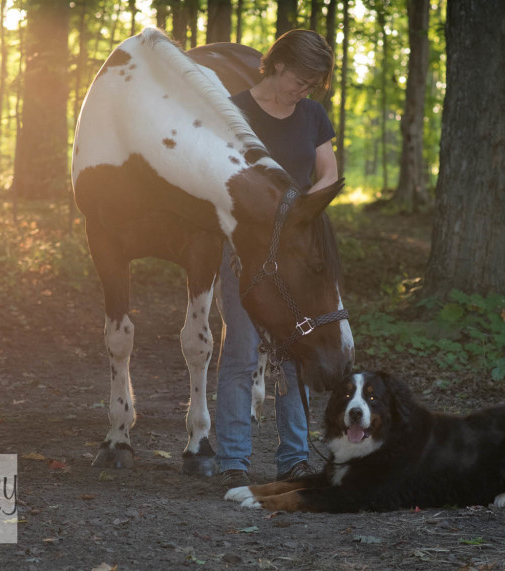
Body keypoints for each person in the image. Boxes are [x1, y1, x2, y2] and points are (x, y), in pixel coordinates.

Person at [215, 29, 339, 489]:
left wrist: (300, 217)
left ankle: (294, 459)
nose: (305, 90)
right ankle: (232, 460)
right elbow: (219, 182)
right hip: (246, 252)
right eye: (301, 79)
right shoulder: (233, 110)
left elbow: (328, 173)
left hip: (296, 254)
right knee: (242, 353)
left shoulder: (311, 114)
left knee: (294, 353)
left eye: (314, 83)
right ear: (279, 64)